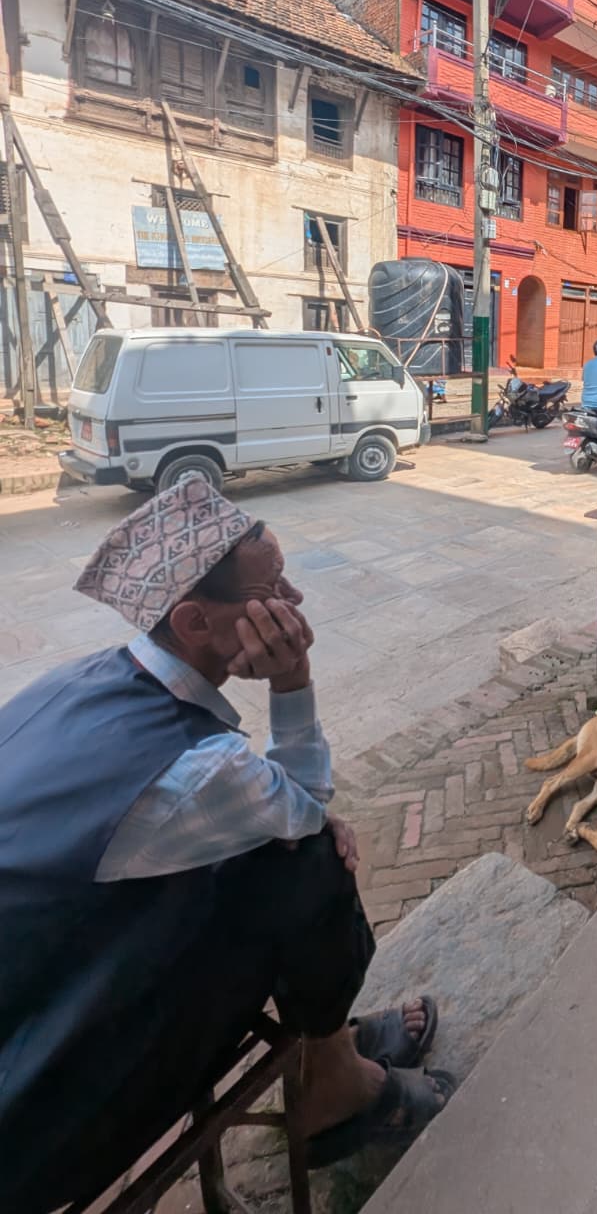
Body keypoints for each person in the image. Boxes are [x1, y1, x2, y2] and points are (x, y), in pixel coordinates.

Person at [0, 478, 455, 1213]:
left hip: (46, 979)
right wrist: (294, 679)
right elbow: (304, 806)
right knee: (306, 862)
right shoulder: (200, 770)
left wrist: (288, 814)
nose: (295, 601)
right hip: (39, 1097)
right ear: (193, 621)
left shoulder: (76, 680)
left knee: (276, 842)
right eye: (271, 590)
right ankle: (333, 1085)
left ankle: (328, 1048)